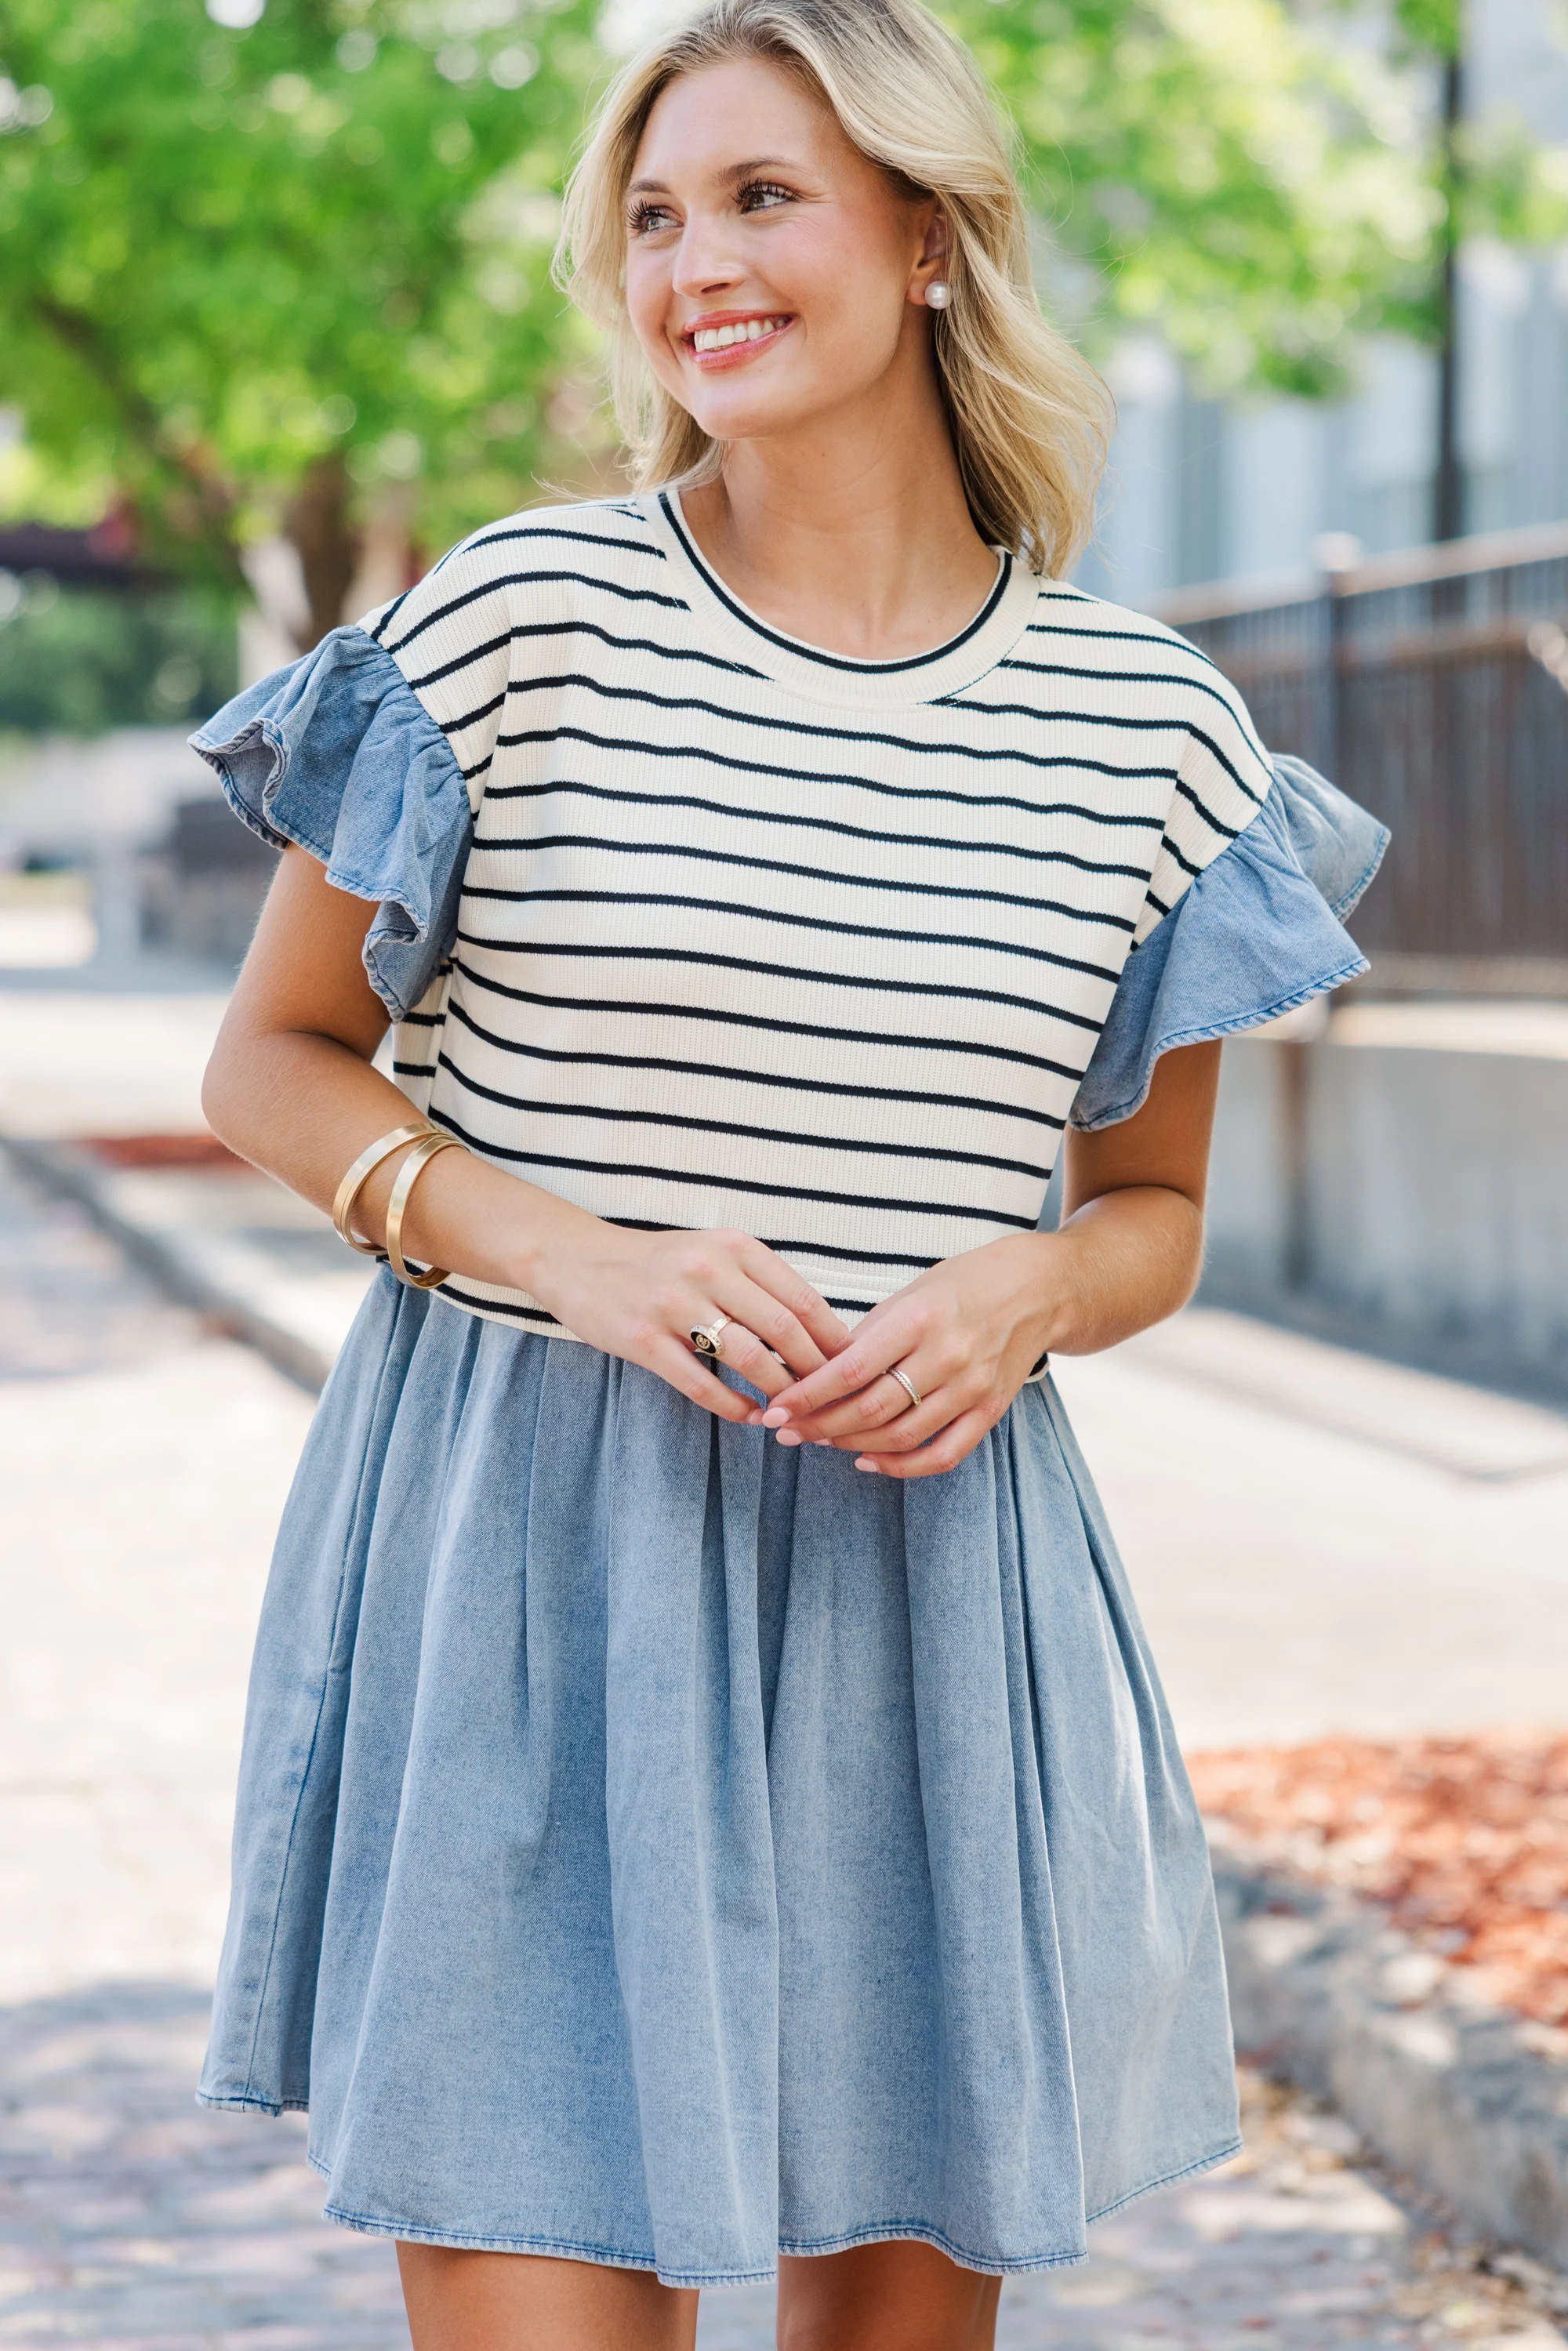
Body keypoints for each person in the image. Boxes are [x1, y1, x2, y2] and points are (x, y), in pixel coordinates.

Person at [191, 2, 1387, 2344]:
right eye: (652, 214)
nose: (690, 265)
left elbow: (1150, 1217)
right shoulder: (523, 618)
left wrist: (1029, 1297)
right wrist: (577, 1259)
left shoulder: (1145, 734)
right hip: (532, 1579)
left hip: (927, 1614)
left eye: (762, 198)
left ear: (929, 239)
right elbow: (274, 1061)